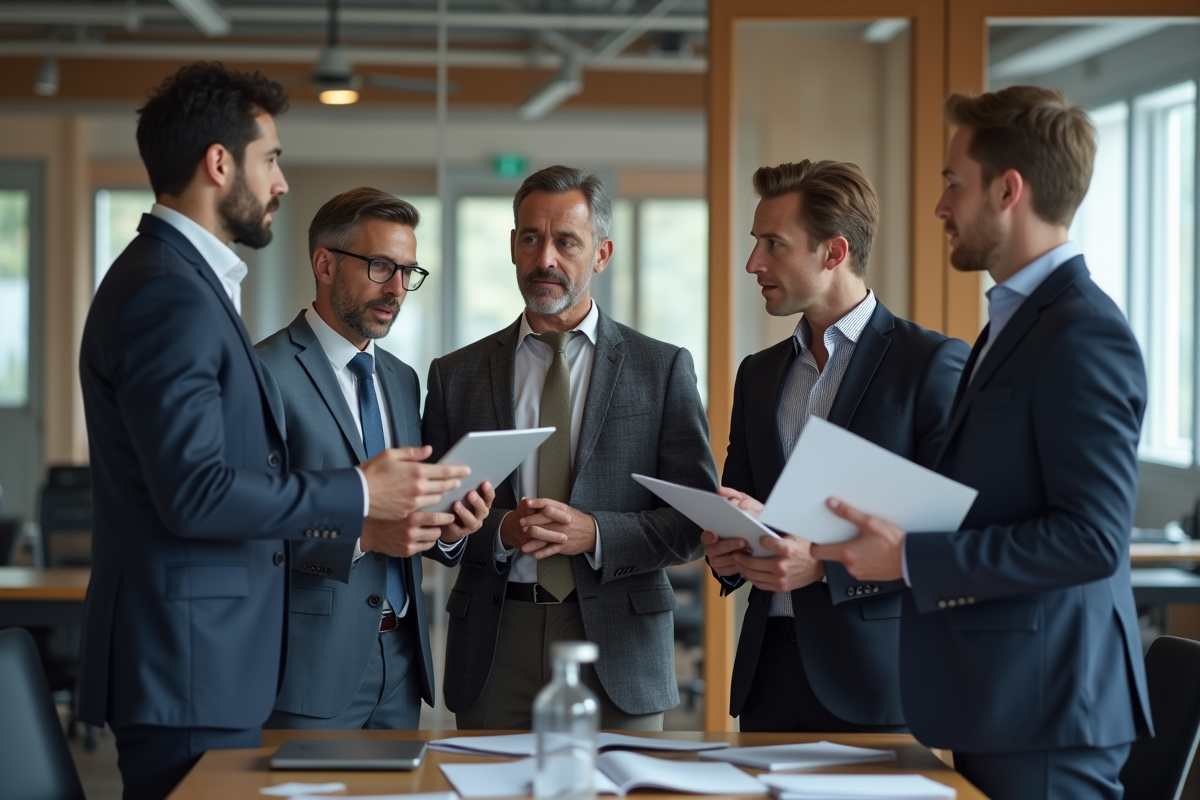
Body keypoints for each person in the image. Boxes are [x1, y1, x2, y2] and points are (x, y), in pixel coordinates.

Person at [78, 64, 469, 800]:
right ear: (219, 163)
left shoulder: (180, 283)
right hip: (191, 660)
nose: (281, 183)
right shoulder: (169, 293)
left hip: (217, 658)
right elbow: (197, 493)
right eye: (271, 159)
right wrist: (360, 495)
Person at [811, 86, 1153, 800]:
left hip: (1047, 709)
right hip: (1001, 700)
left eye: (953, 183)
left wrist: (910, 556)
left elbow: (1092, 539)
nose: (940, 206)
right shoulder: (1014, 321)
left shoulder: (1084, 333)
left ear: (1007, 190)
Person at [422, 164, 718, 731]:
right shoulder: (454, 376)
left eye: (567, 242)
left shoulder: (661, 369)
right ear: (512, 245)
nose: (545, 259)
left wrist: (596, 534)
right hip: (493, 641)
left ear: (601, 254)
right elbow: (432, 524)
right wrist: (501, 531)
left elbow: (693, 522)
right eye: (531, 239)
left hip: (619, 644)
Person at [702, 160, 969, 733]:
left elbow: (953, 534)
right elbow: (742, 500)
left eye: (773, 244)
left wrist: (823, 565)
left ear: (834, 252)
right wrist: (727, 553)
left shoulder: (930, 363)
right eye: (755, 243)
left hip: (876, 678)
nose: (753, 263)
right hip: (767, 675)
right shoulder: (757, 374)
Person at [257, 187, 495, 730]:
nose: (397, 289)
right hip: (309, 668)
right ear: (325, 265)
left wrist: (448, 530)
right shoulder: (264, 373)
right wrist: (363, 536)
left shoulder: (401, 379)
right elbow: (248, 524)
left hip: (403, 664)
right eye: (381, 266)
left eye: (408, 272)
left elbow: (407, 516)